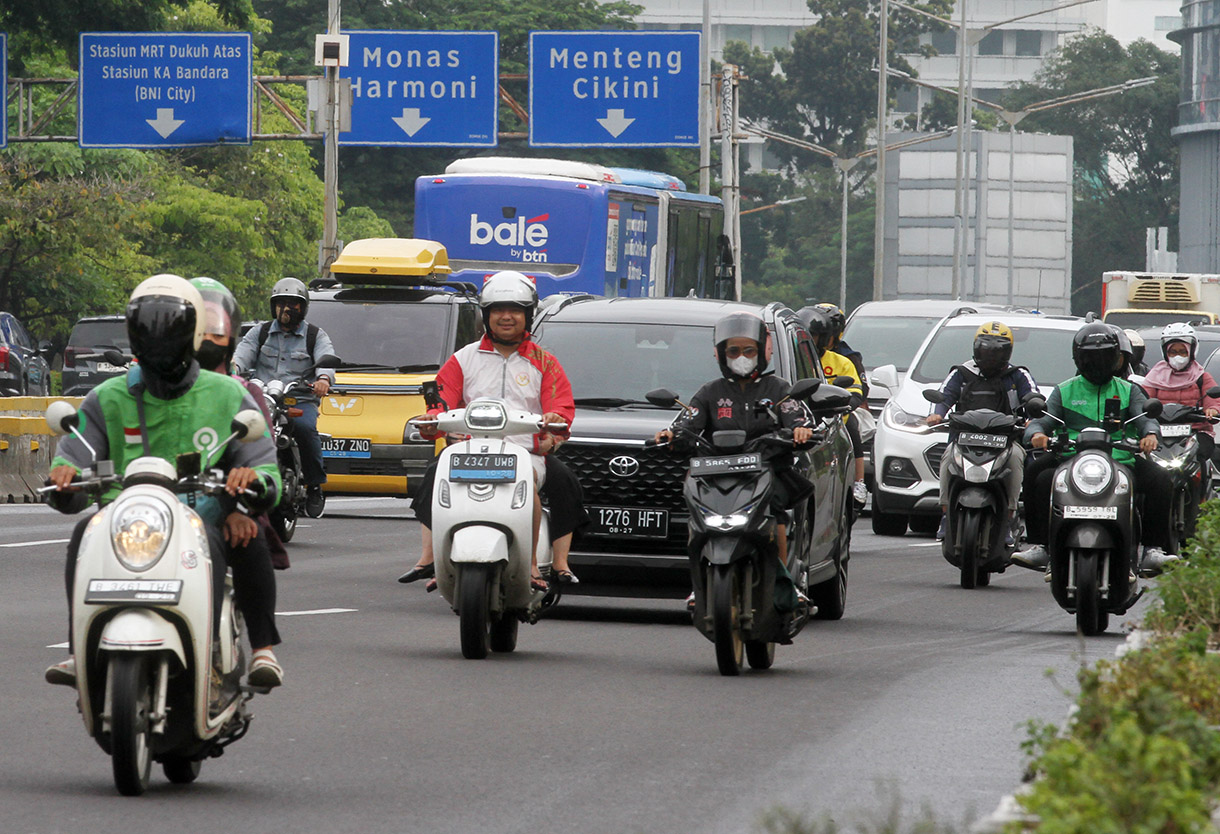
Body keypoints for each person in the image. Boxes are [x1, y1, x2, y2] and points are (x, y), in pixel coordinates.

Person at [44, 274, 285, 689]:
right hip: (128, 520)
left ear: (191, 334)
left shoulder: (228, 394)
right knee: (85, 530)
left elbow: (263, 466)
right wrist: (65, 479)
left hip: (206, 516)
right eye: (148, 328)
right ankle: (76, 649)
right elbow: (75, 455)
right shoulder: (106, 398)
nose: (159, 340)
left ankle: (260, 650)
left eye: (170, 329)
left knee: (247, 535)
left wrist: (247, 494)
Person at [397, 270, 587, 590]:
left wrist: (553, 426)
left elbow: (561, 407)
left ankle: (548, 564)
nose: (506, 317)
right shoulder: (463, 358)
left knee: (564, 482)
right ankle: (430, 558)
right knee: (433, 475)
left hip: (525, 452)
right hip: (470, 449)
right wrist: (435, 421)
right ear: (486, 315)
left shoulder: (546, 362)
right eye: (498, 310)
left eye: (515, 310)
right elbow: (441, 401)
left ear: (528, 315)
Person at [655, 311, 815, 611]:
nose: (741, 357)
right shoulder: (710, 392)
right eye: (734, 351)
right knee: (696, 516)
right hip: (715, 475)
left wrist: (800, 430)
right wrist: (669, 435)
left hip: (766, 471)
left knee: (776, 514)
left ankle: (784, 583)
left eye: (749, 351)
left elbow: (797, 417)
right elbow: (687, 425)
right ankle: (699, 583)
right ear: (721, 354)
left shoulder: (779, 391)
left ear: (762, 353)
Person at [1012, 322, 1174, 574]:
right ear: (1079, 358)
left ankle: (1153, 550)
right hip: (1069, 459)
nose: (1097, 361)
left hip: (1121, 459)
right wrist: (1037, 434)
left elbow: (1146, 419)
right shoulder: (1064, 390)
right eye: (1091, 356)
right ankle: (1041, 546)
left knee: (1162, 478)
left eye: (1104, 355)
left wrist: (1151, 434)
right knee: (1037, 476)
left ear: (1117, 358)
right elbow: (1042, 420)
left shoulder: (1129, 391)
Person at [192, 276, 290, 570]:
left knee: (250, 542)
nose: (207, 337)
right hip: (154, 511)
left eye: (215, 329)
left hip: (227, 507)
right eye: (197, 328)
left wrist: (239, 507)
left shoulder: (244, 393)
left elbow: (261, 458)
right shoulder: (143, 389)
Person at [924, 321, 1038, 542]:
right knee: (947, 458)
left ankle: (1008, 517)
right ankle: (947, 515)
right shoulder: (962, 372)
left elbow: (1033, 396)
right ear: (976, 348)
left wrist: (1031, 419)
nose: (991, 356)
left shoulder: (1018, 374)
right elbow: (944, 395)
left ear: (1008, 352)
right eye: (986, 350)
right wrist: (937, 414)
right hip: (965, 441)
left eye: (998, 351)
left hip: (1005, 441)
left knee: (1017, 460)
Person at [232, 277, 336, 519]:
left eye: (293, 304)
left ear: (303, 307)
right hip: (262, 398)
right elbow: (241, 356)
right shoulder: (260, 333)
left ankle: (314, 486)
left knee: (305, 428)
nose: (286, 309)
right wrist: (232, 371)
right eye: (281, 303)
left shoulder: (315, 335)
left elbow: (326, 358)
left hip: (297, 399)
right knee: (239, 428)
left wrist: (323, 380)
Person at [800, 306, 868, 509]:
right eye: (807, 336)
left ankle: (859, 483)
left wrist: (846, 405)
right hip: (800, 419)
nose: (810, 341)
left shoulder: (843, 361)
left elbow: (856, 391)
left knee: (853, 430)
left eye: (814, 336)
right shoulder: (796, 359)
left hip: (836, 419)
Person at [1141, 322, 1220, 464]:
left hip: (1196, 432)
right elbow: (1143, 402)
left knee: (1201, 454)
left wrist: (1212, 411)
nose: (1178, 356)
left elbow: (1212, 400)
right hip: (1159, 434)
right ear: (1166, 353)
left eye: (1182, 352)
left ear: (1191, 351)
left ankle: (1202, 484)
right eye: (1173, 352)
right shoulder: (1154, 376)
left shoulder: (1201, 376)